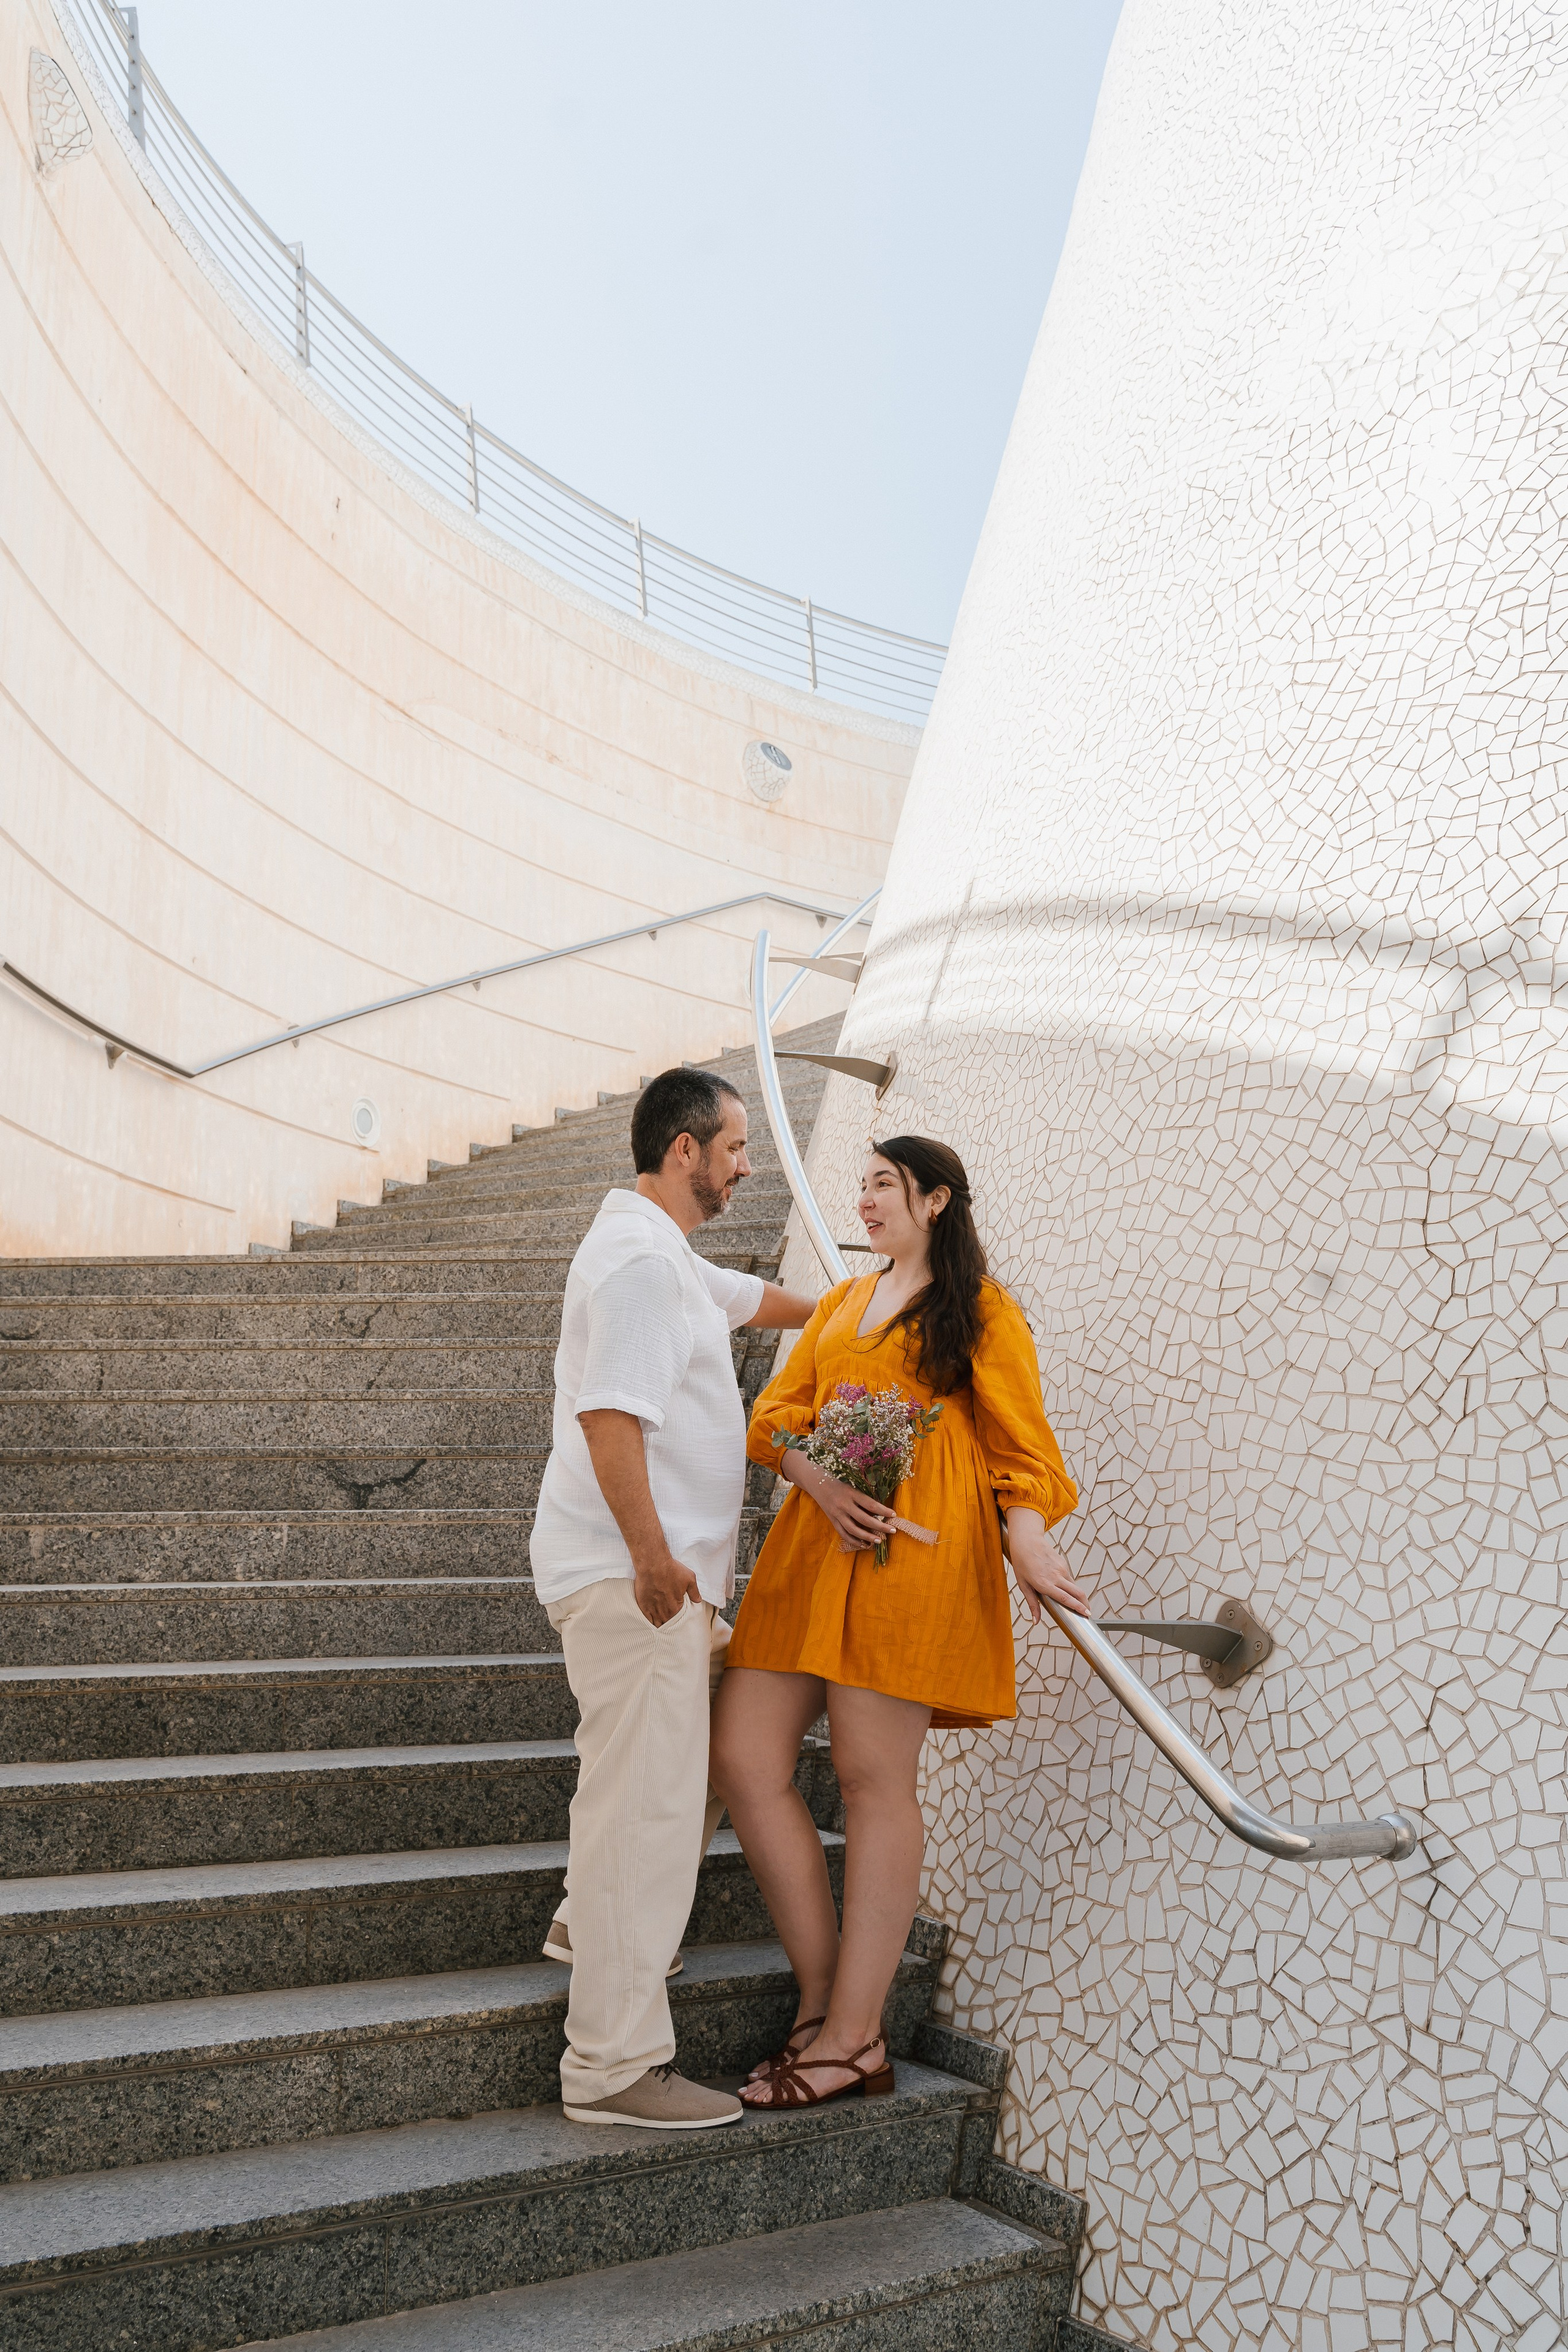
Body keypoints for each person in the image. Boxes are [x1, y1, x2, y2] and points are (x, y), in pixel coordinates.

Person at [710, 1134, 1087, 2108]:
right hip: (812, 1543)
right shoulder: (840, 1301)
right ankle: (830, 1998)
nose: (868, 1200)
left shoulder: (983, 1311)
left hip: (913, 1553)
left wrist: (1030, 1540)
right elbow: (775, 1416)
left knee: (872, 1779)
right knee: (747, 1759)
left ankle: (850, 2039)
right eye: (864, 1185)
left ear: (937, 1200)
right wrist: (812, 1472)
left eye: (885, 1184)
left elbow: (1022, 1446)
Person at [530, 1065, 814, 2130]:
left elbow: (763, 1304)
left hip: (661, 1585)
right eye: (738, 1147)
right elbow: (612, 1423)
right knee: (642, 1812)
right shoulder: (640, 1269)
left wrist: (868, 1314)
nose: (749, 1167)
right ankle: (612, 2066)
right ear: (685, 1150)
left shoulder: (668, 1260)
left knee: (698, 1756)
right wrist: (654, 1562)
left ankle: (581, 1927)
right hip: (636, 1582)